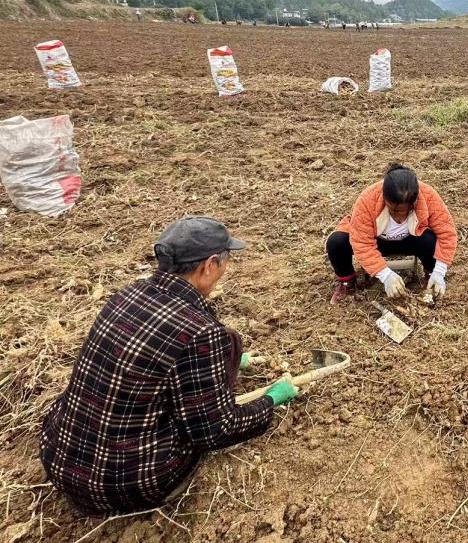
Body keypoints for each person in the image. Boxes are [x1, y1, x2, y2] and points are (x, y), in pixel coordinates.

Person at [40, 217, 298, 516]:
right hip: (124, 482)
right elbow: (215, 430)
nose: (226, 269)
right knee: (206, 402)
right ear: (209, 265)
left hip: (58, 455)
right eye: (226, 260)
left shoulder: (128, 294)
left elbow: (152, 361)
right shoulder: (201, 331)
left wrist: (225, 362)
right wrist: (271, 400)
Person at [326, 164, 457, 303]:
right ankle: (347, 282)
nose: (398, 217)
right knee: (336, 242)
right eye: (393, 210)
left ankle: (431, 276)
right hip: (378, 242)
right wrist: (385, 275)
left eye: (404, 211)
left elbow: (447, 234)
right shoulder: (367, 199)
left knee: (430, 240)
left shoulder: (428, 195)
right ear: (384, 197)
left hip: (411, 240)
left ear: (414, 202)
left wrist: (439, 271)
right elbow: (362, 242)